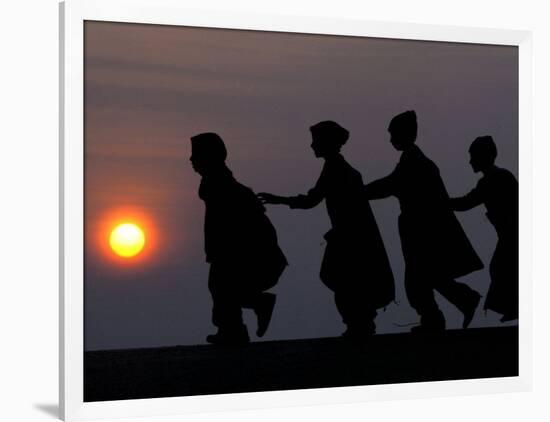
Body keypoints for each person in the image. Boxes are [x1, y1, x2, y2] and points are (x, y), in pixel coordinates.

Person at [258, 121, 395, 341]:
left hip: (349, 237)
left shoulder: (336, 169)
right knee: (346, 279)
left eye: (315, 141)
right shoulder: (337, 167)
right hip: (351, 235)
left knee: (341, 279)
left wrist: (279, 200)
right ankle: (360, 322)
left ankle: (359, 323)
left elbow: (312, 200)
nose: (312, 146)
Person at [363, 110, 483, 333]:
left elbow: (390, 184)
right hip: (418, 228)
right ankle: (457, 303)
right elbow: (391, 184)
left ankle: (438, 315)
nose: (390, 140)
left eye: (393, 134)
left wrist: (360, 192)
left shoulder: (415, 163)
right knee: (428, 275)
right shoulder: (414, 161)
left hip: (422, 229)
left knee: (419, 278)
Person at [190, 132, 288, 345]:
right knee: (221, 287)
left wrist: (222, 252)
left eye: (195, 155)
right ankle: (236, 327)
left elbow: (233, 226)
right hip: (234, 251)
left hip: (242, 252)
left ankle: (239, 324)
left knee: (222, 287)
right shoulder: (219, 184)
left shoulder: (221, 187)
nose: (191, 160)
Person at [450, 136, 518, 322]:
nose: (470, 160)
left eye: (473, 156)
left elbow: (466, 202)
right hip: (511, 234)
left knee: (502, 268)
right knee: (503, 268)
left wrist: (442, 201)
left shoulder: (493, 180)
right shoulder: (499, 177)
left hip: (513, 234)